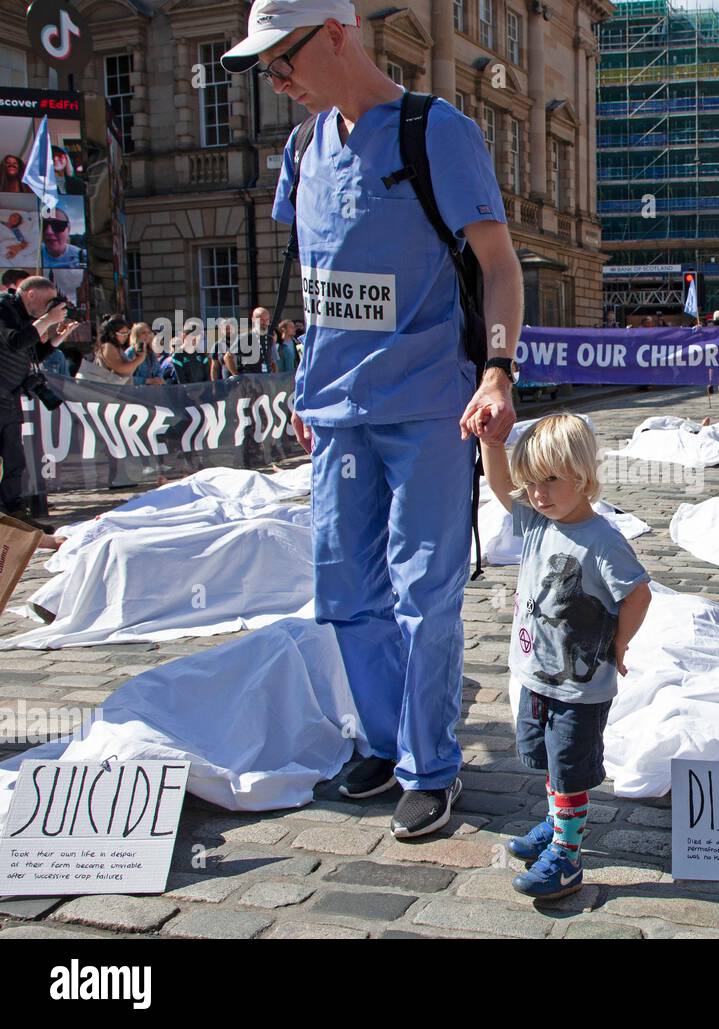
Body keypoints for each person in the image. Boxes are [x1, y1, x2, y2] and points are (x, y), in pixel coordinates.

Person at [224, 0, 522, 838]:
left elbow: (499, 264)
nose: (275, 81)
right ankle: (387, 742)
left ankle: (431, 766)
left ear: (335, 32)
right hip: (338, 411)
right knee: (345, 588)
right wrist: (303, 379)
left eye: (282, 60)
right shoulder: (301, 149)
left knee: (424, 590)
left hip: (430, 404)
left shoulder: (437, 132)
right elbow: (320, 278)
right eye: (265, 70)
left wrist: (497, 370)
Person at [481, 414, 651, 898]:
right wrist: (493, 443)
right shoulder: (536, 520)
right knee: (551, 763)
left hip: (580, 688)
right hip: (536, 677)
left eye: (551, 480)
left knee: (571, 769)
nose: (538, 494)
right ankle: (557, 825)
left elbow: (637, 593)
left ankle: (568, 857)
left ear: (582, 475)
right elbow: (497, 484)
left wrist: (618, 643)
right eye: (531, 483)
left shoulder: (603, 539)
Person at [0, 276, 76, 526]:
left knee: (15, 460)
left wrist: (56, 338)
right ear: (30, 293)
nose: (48, 308)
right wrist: (47, 321)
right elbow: (14, 342)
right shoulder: (4, 308)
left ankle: (15, 517)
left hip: (9, 397)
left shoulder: (26, 318)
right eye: (46, 301)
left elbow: (33, 355)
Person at [77, 316, 145, 384]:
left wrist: (136, 358)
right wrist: (139, 359)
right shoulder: (108, 346)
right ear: (112, 334)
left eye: (127, 333)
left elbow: (128, 370)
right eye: (122, 333)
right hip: (107, 390)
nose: (125, 336)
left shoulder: (117, 347)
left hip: (115, 390)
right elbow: (121, 369)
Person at [226, 306, 274, 376]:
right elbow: (227, 357)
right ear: (253, 320)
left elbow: (271, 360)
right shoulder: (244, 338)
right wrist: (236, 375)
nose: (265, 323)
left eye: (267, 320)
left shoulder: (270, 339)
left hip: (265, 380)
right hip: (249, 381)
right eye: (261, 320)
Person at [39, 203, 86, 269]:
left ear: (68, 229)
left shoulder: (83, 256)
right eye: (43, 226)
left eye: (58, 225)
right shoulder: (32, 254)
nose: (49, 232)